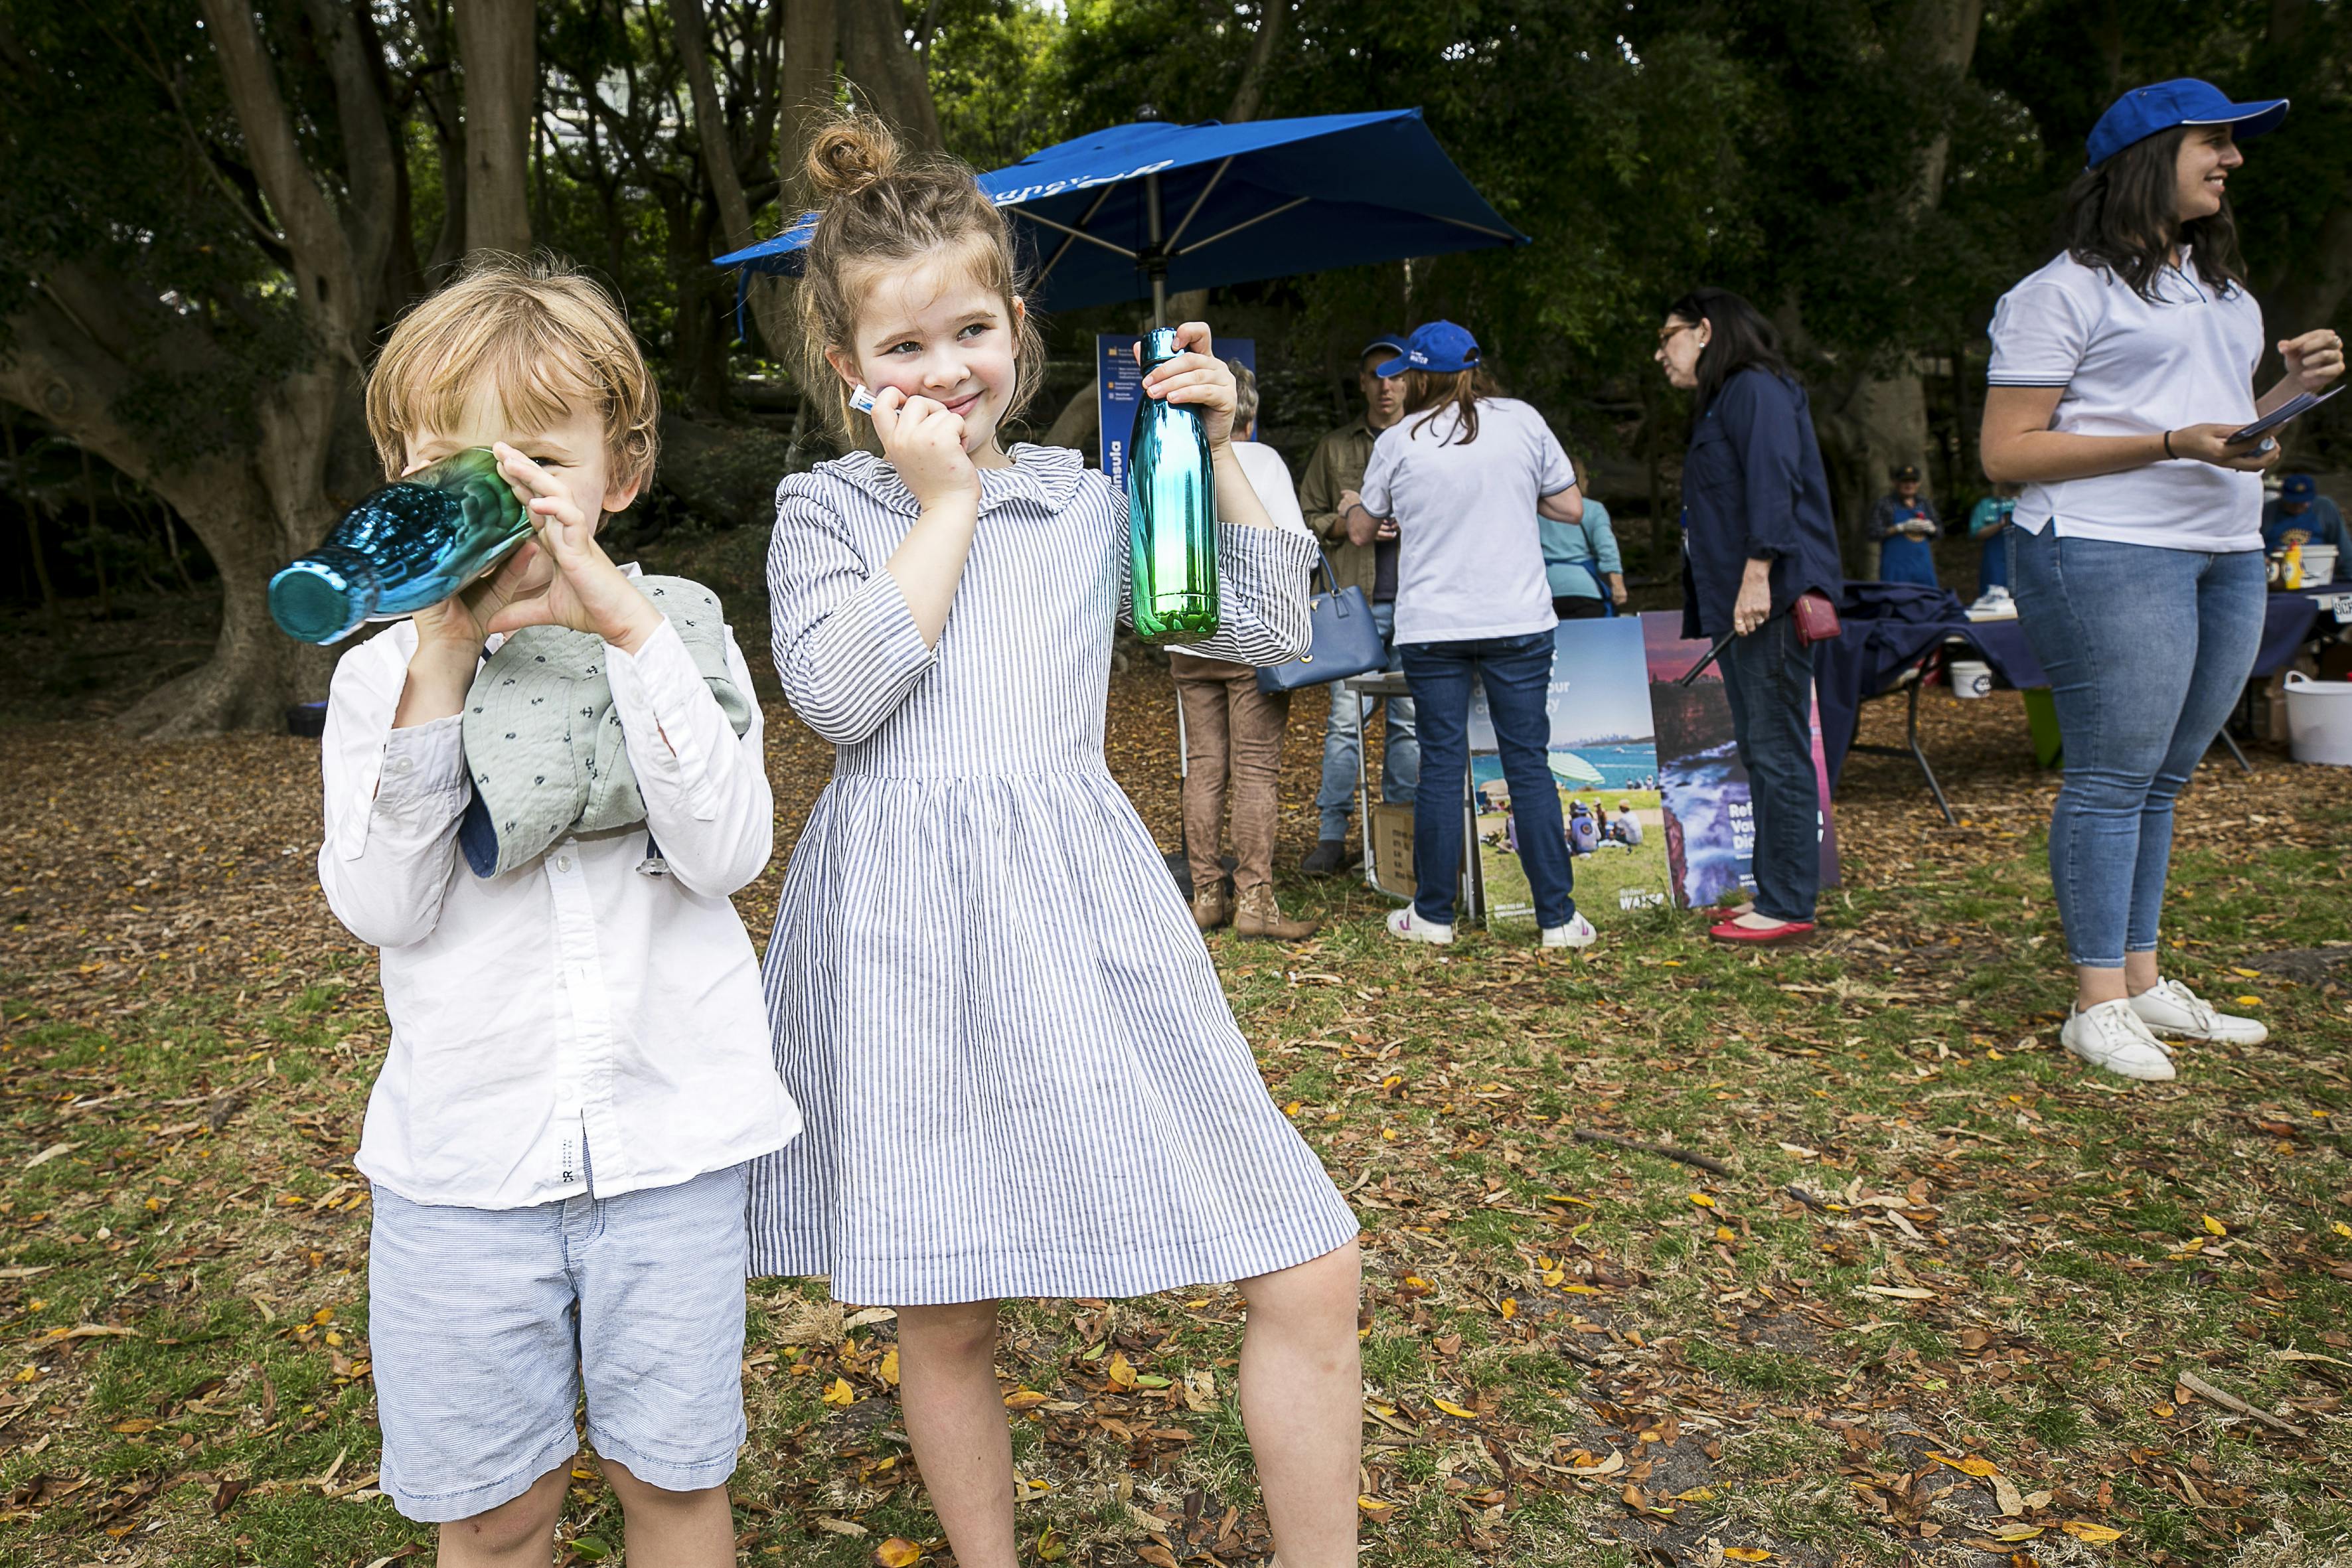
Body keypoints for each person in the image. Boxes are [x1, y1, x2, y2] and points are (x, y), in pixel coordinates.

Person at [751, 116, 1363, 1568]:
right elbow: (838, 694)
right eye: (901, 348)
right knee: (945, 1302)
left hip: (1082, 910)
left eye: (969, 328)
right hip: (901, 925)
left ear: (1019, 327)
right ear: (847, 369)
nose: (942, 369)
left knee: (1309, 1258)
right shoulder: (824, 509)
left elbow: (1268, 630)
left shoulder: (1090, 498)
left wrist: (1219, 454)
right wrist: (946, 502)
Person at [316, 258, 798, 1563]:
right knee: (492, 1509)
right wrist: (443, 656)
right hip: (465, 1171)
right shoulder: (381, 677)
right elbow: (381, 901)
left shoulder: (675, 637)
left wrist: (627, 630)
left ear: (617, 473)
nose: (493, 494)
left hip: (667, 1151)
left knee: (678, 1484)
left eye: (532, 456)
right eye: (447, 463)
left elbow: (726, 849)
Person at [1980, 77, 2342, 1080]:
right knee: (2109, 773)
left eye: (2231, 146)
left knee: (2164, 776)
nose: (2229, 161)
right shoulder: (2055, 293)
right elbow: (2006, 453)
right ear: (2146, 158)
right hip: (2100, 547)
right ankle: (2094, 1003)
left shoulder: (2221, 293)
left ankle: (2139, 983)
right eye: (2211, 144)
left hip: (2222, 552)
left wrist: (2286, 397)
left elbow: (2219, 430)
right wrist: (2172, 440)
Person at [1346, 319, 1596, 950]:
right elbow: (1570, 507)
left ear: (1418, 375)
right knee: (1527, 766)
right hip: (1517, 620)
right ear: (1474, 367)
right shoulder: (1521, 420)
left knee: (1440, 765)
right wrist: (1513, 493)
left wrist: (1354, 505)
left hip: (1432, 626)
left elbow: (1359, 532)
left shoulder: (1399, 440)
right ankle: (1557, 920)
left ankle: (1432, 917)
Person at [1655, 287, 1844, 945]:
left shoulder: (1754, 389)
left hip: (1767, 599)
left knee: (1778, 751)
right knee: (1762, 751)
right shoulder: (1725, 401)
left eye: (1667, 337)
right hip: (1739, 601)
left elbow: (1774, 483)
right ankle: (1774, 893)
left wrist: (1759, 576)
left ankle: (1789, 902)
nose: (1661, 354)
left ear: (1704, 332)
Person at [1168, 361, 1319, 937]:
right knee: (1255, 769)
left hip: (1189, 634)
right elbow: (1293, 550)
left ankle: (1206, 895)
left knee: (1203, 767)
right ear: (1244, 412)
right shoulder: (1259, 460)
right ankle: (1255, 902)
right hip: (1253, 639)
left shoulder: (1171, 464)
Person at [1297, 336, 1419, 874]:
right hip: (1354, 608)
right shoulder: (1335, 448)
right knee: (1346, 723)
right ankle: (1331, 835)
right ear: (1363, 382)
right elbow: (1304, 517)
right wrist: (1345, 523)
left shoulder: (1427, 441)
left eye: (1396, 375)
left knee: (1408, 723)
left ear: (1410, 381)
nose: (1386, 386)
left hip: (1418, 604)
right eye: (1376, 375)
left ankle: (1399, 832)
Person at [1542, 457, 1628, 618]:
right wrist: (1618, 585)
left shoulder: (1533, 510)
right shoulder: (1593, 509)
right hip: (1585, 591)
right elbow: (1607, 549)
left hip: (1543, 591)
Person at [2263, 473, 2351, 580]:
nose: (2299, 506)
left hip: (2318, 573)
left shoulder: (2324, 508)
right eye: (2293, 502)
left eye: (2304, 502)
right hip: (2277, 575)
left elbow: (2344, 546)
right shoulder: (2268, 511)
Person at [1869, 464, 1942, 586]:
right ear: (1895, 483)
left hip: (1923, 567)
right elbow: (1873, 533)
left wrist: (1933, 529)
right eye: (1905, 481)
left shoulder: (1924, 504)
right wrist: (1900, 527)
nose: (1910, 485)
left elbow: (1940, 531)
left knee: (1928, 600)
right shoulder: (1885, 504)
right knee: (1896, 598)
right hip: (1895, 568)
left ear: (1918, 484)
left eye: (1913, 481)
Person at [1969, 481, 2022, 597]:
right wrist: (2000, 525)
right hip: (1995, 562)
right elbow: (1976, 533)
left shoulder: (2028, 502)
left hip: (2024, 558)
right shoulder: (1986, 505)